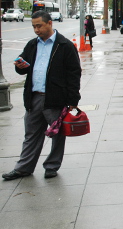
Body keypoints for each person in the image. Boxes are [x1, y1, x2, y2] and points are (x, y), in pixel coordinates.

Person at [2, 10, 81, 181]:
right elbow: (22, 66)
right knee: (31, 134)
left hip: (55, 98)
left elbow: (74, 73)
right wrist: (19, 66)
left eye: (39, 26)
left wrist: (73, 99)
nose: (36, 30)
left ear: (49, 23)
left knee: (57, 134)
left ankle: (51, 166)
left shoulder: (64, 45)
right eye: (34, 27)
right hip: (34, 97)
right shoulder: (32, 45)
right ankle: (23, 168)